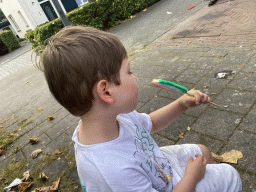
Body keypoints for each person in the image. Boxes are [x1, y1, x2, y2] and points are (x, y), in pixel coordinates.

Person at [40, 25, 242, 192]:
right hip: (169, 185)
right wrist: (191, 177)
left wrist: (182, 103)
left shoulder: (114, 118)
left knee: (203, 151)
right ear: (106, 92)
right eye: (129, 71)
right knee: (230, 176)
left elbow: (150, 123)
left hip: (158, 167)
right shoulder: (112, 171)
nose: (135, 77)